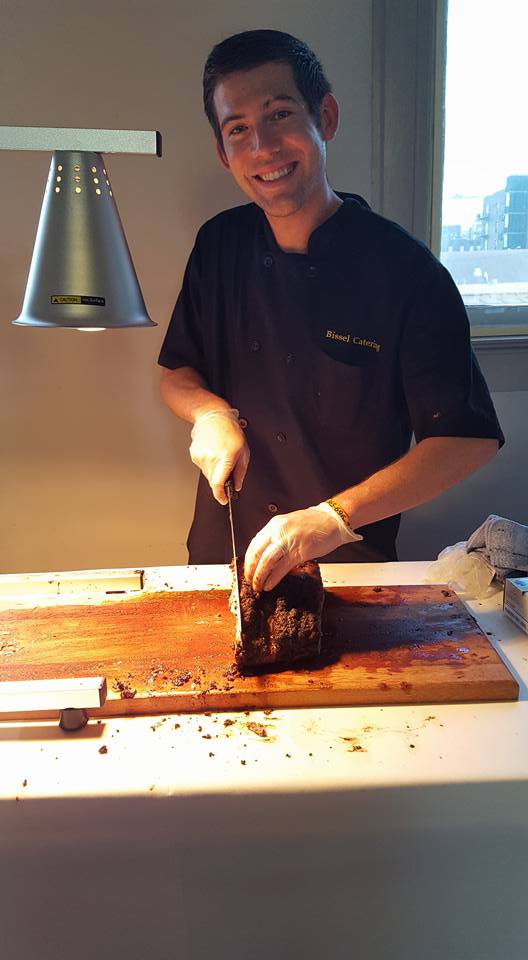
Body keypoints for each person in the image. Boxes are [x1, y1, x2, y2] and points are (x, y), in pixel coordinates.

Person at [158, 29, 504, 594]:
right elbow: (177, 374)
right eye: (239, 128)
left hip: (347, 565)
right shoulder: (217, 246)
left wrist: (334, 517)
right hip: (220, 557)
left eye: (279, 114)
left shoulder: (406, 271)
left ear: (327, 117)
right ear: (223, 153)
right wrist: (208, 413)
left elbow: (468, 439)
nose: (263, 147)